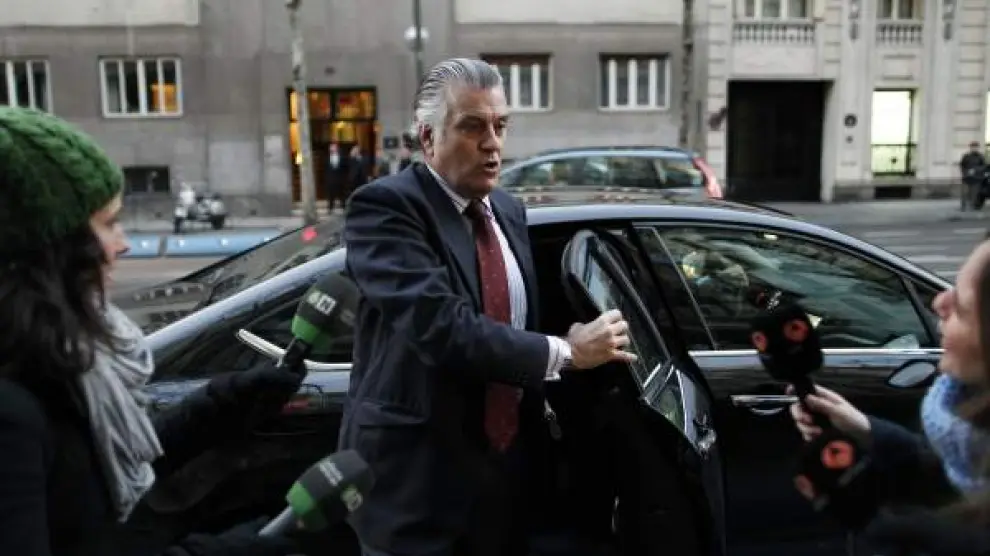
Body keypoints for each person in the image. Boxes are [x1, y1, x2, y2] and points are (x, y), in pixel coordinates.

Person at [339, 58, 636, 556]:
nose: (493, 143)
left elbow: (515, 323)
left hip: (504, 477)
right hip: (416, 484)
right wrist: (567, 351)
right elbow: (443, 327)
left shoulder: (509, 210)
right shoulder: (386, 208)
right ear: (428, 138)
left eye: (501, 126)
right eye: (473, 126)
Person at [0, 106, 301, 556]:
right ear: (48, 248)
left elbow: (116, 462)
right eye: (108, 224)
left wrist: (221, 405)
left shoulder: (59, 355)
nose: (122, 244)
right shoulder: (12, 411)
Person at [789, 238, 990, 555]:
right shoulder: (968, 440)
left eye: (963, 308)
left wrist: (888, 532)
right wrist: (864, 429)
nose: (939, 302)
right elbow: (943, 473)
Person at [959, 141, 986, 212]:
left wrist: (976, 170)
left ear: (978, 148)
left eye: (976, 147)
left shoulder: (980, 157)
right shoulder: (966, 156)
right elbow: (962, 165)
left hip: (976, 178)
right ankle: (963, 205)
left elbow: (983, 166)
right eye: (973, 147)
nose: (974, 149)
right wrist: (965, 172)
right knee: (964, 192)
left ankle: (973, 205)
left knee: (975, 193)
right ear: (970, 148)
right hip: (967, 177)